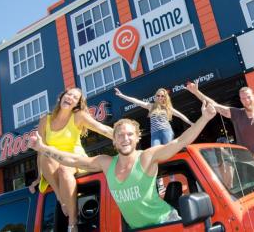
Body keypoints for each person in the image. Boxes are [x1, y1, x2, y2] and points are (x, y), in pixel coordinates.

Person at [28, 101, 216, 230]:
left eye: (129, 135)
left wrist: (205, 118)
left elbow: (180, 142)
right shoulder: (106, 163)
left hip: (167, 223)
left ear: (136, 138)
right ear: (114, 141)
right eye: (120, 135)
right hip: (137, 229)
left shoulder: (147, 157)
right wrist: (42, 147)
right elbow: (72, 160)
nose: (125, 139)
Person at [35, 88, 113, 232]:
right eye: (69, 94)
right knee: (46, 153)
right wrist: (39, 176)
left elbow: (102, 129)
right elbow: (40, 149)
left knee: (64, 169)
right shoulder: (45, 120)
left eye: (75, 97)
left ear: (77, 104)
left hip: (74, 160)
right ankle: (60, 198)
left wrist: (120, 137)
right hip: (53, 163)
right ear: (62, 96)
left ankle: (72, 223)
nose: (70, 97)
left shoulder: (78, 116)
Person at [115, 88, 192, 146]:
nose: (160, 97)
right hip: (155, 133)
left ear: (165, 98)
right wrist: (121, 95)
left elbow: (180, 115)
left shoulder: (167, 108)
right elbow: (136, 101)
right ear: (155, 96)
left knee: (169, 150)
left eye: (162, 96)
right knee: (155, 151)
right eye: (158, 95)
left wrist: (191, 123)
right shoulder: (150, 106)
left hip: (166, 131)